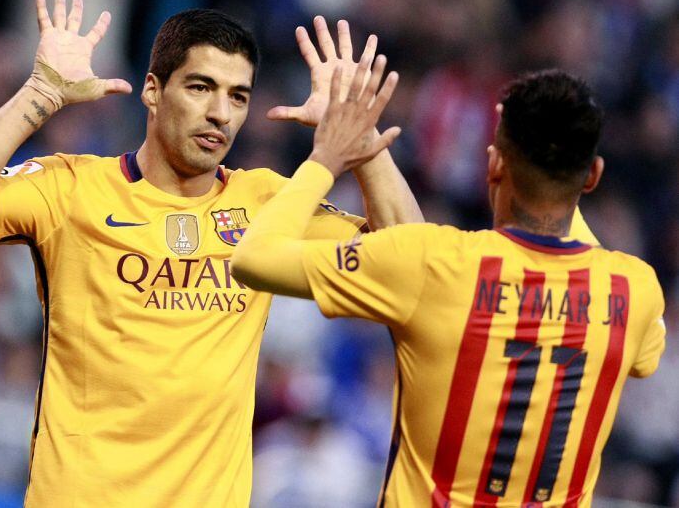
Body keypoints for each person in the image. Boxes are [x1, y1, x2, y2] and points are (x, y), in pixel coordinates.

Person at [0, 0, 422, 507]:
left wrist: (361, 138)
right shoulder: (71, 189)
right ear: (152, 91)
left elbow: (409, 261)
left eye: (238, 96)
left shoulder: (267, 202)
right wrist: (40, 94)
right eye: (202, 87)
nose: (220, 112)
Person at [231, 69, 667, 507]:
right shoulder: (635, 289)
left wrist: (328, 157)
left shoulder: (437, 263)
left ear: (494, 164)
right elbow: (641, 352)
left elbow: (254, 258)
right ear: (592, 176)